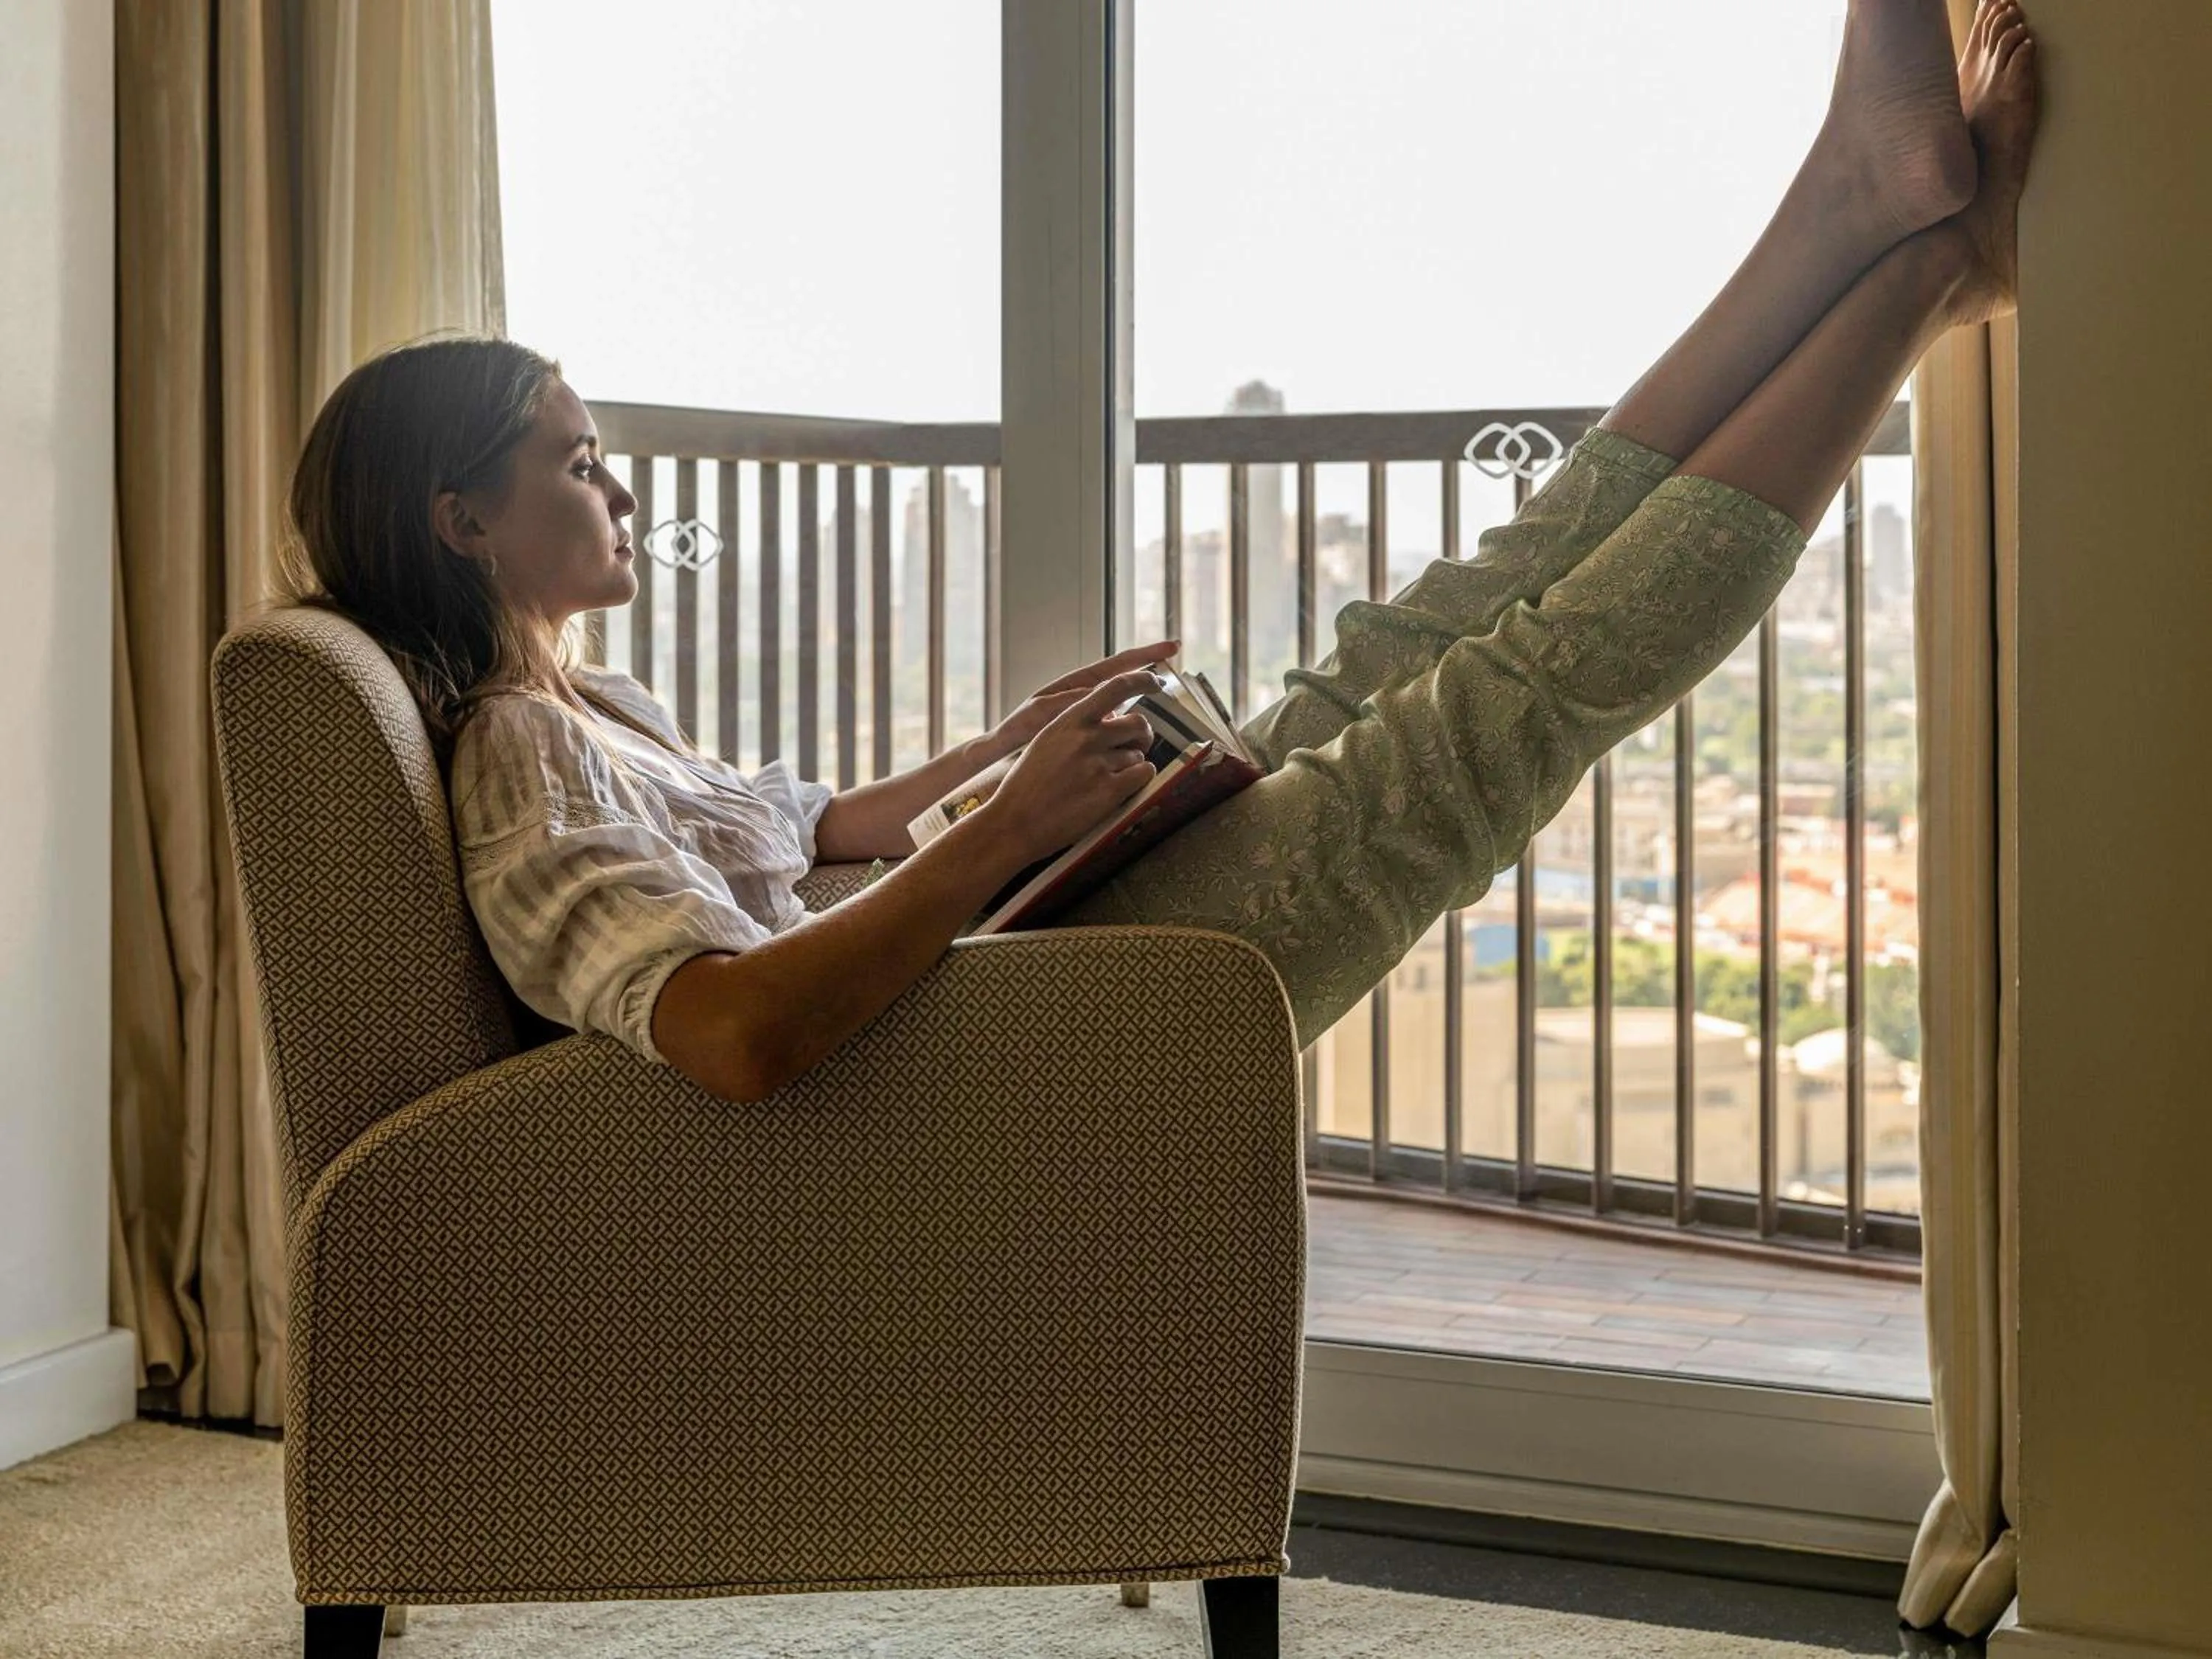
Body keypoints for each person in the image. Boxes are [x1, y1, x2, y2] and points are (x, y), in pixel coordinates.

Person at [279, 0, 2039, 1106]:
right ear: (460, 518)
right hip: (975, 1048)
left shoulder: (604, 708)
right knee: (1504, 698)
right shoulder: (515, 755)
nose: (624, 495)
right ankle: (1904, 272)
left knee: (1445, 621)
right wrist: (1023, 834)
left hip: (990, 964)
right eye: (579, 466)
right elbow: (731, 1032)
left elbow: (812, 841)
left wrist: (1018, 757)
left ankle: (1873, 221)